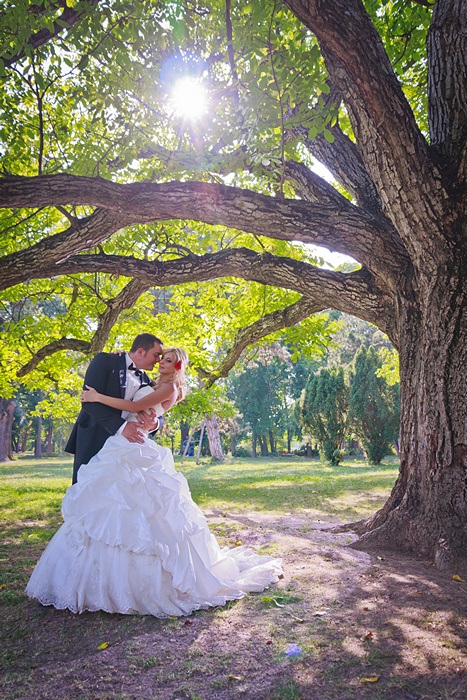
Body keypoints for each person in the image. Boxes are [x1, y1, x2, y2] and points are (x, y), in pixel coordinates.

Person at [26, 348, 283, 617]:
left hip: (133, 443)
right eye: (161, 358)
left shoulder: (170, 388)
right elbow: (145, 408)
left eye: (169, 360)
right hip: (121, 443)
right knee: (108, 505)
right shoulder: (150, 382)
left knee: (140, 506)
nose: (162, 362)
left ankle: (142, 586)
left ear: (178, 366)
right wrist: (153, 419)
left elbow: (137, 407)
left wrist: (98, 397)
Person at [65, 333, 164, 484]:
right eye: (156, 355)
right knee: (87, 489)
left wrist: (155, 424)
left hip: (128, 447)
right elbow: (88, 401)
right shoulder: (104, 361)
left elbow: (158, 407)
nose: (159, 360)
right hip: (95, 437)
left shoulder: (146, 379)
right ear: (141, 351)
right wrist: (122, 427)